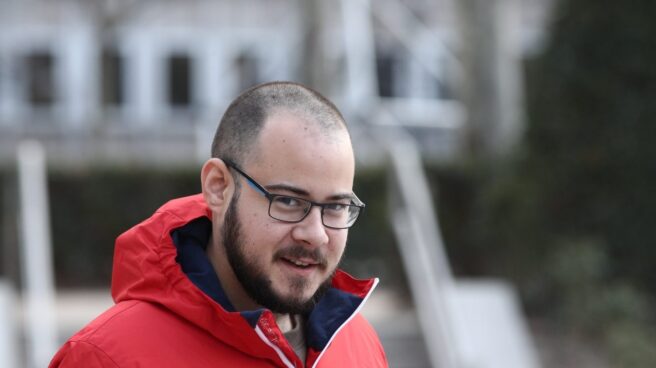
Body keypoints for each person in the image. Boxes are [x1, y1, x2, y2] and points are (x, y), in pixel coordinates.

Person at [49, 81, 388, 367]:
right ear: (218, 187)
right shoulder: (106, 358)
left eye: (336, 207)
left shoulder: (358, 343)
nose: (315, 234)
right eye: (287, 201)